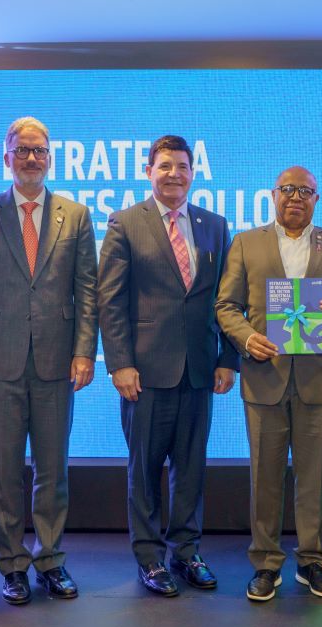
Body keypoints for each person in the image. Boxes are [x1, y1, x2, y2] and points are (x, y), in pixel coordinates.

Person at [0, 116, 98, 605]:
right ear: (7, 157)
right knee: (4, 471)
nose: (31, 158)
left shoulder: (75, 215)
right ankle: (12, 564)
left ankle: (51, 559)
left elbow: (88, 289)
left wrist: (85, 350)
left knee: (53, 471)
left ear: (50, 158)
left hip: (57, 363)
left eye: (39, 150)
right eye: (22, 150)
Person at [216, 166, 322, 602]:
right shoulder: (246, 243)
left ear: (317, 199)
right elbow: (226, 305)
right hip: (264, 377)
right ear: (273, 195)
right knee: (264, 478)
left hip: (318, 379)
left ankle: (312, 561)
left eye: (305, 191)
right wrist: (247, 339)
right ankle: (266, 564)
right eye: (287, 189)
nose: (295, 197)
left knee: (313, 478)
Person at [98, 135, 238, 597]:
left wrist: (228, 358)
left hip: (199, 369)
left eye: (181, 166)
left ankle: (186, 552)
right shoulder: (125, 222)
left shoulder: (214, 225)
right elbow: (109, 300)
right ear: (149, 171)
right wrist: (120, 364)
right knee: (144, 471)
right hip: (144, 373)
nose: (173, 174)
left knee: (191, 469)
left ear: (193, 173)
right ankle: (149, 558)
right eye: (164, 166)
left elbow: (227, 299)